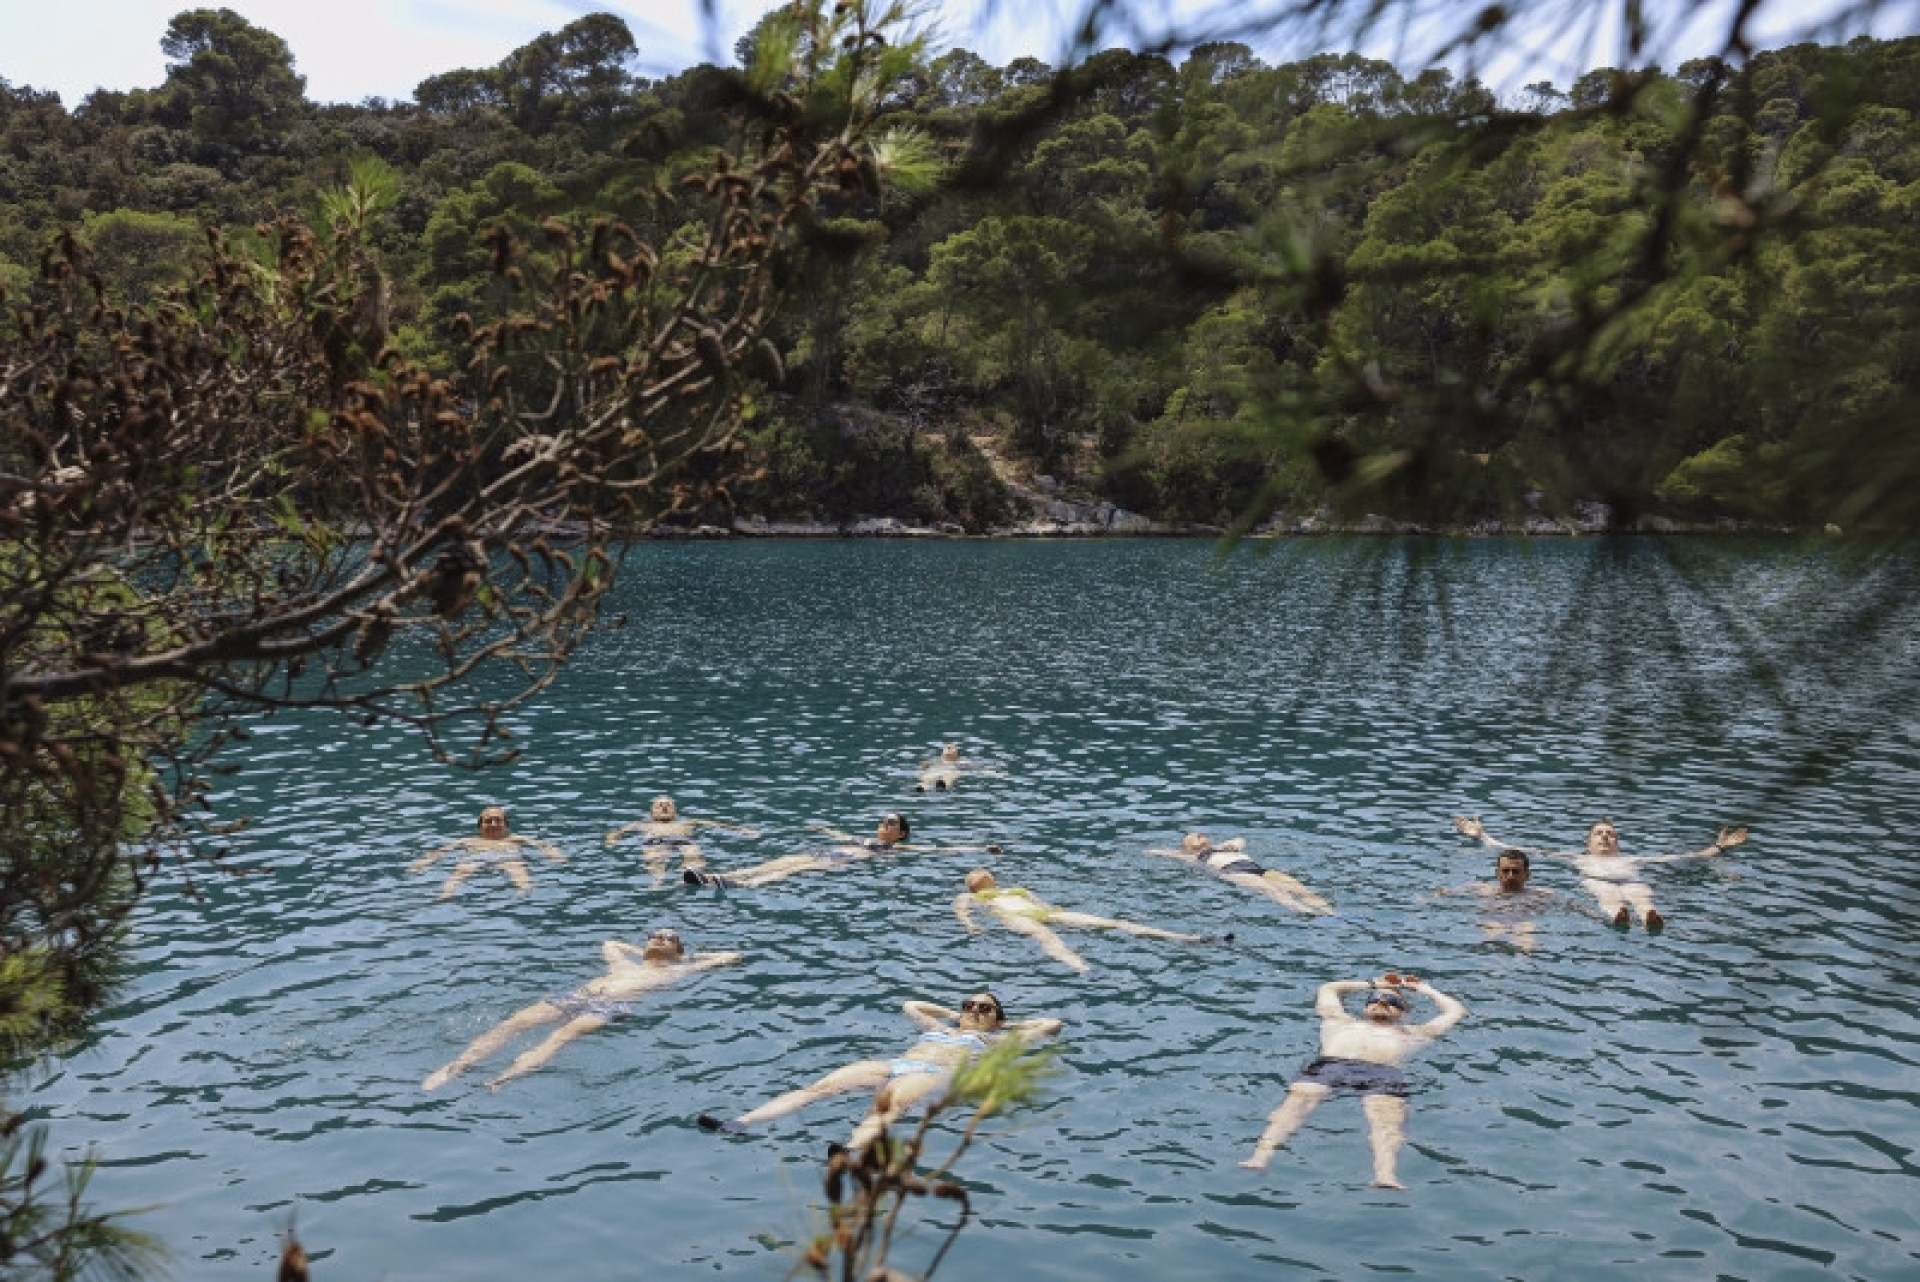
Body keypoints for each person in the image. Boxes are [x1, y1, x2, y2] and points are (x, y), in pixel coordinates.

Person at [698, 992, 1060, 1153]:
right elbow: (910, 1005)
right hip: (898, 1062)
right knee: (820, 1087)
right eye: (969, 1004)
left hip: (936, 1072)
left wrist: (1003, 1026)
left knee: (887, 1105)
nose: (974, 1010)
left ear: (997, 1017)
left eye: (984, 1007)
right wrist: (953, 1016)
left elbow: (1051, 1024)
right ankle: (741, 1123)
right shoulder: (940, 1028)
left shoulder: (996, 1040)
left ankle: (852, 1151)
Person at [423, 929, 740, 1091]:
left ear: (679, 950)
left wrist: (686, 959)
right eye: (655, 935)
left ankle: (504, 1078)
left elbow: (730, 956)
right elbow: (610, 943)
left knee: (561, 1037)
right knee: (513, 1022)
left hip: (613, 1006)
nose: (659, 938)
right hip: (577, 996)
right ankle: (456, 1067)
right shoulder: (623, 963)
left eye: (669, 938)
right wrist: (642, 949)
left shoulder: (676, 971)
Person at [1241, 972, 1467, 1189]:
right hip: (1330, 1065)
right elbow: (1329, 988)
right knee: (1297, 1103)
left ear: (1404, 1013)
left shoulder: (1413, 1033)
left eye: (1392, 1001)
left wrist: (1425, 990)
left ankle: (1385, 1175)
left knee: (1387, 1121)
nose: (1382, 1001)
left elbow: (1455, 1012)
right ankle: (1260, 1157)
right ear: (1365, 1006)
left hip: (1382, 1073)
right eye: (1376, 998)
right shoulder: (1339, 1021)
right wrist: (1374, 984)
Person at [1454, 815, 1748, 932]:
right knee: (1609, 900)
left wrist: (1719, 848)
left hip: (1632, 880)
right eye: (1599, 834)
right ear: (1588, 842)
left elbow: (1684, 857)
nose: (1606, 837)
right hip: (1597, 880)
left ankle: (1650, 918)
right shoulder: (1577, 858)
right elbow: (1517, 848)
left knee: (1642, 899)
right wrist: (1481, 836)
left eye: (1611, 834)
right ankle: (1617, 917)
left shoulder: (1634, 859)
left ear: (1618, 842)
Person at [953, 869, 1218, 974]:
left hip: (1046, 913)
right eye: (972, 874)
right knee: (1046, 938)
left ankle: (1184, 938)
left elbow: (1041, 903)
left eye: (981, 870)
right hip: (1012, 917)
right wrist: (970, 925)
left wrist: (1059, 915)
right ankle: (1084, 970)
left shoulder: (1014, 888)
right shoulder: (969, 895)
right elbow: (962, 911)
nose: (978, 872)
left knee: (1115, 923)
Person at [684, 813, 998, 889]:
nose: (884, 826)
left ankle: (743, 886)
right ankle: (714, 877)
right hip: (828, 851)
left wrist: (979, 848)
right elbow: (839, 834)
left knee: (791, 871)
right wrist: (821, 828)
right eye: (883, 821)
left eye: (891, 824)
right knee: (779, 860)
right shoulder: (862, 837)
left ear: (900, 833)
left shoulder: (895, 848)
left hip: (845, 861)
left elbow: (938, 851)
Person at [1147, 833, 1333, 914]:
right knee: (1274, 892)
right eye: (1195, 836)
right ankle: (1307, 912)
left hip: (1257, 868)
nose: (1200, 834)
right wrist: (1185, 852)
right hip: (1232, 872)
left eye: (1201, 834)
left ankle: (1330, 914)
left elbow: (1241, 839)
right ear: (1188, 846)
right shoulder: (1193, 857)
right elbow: (1154, 852)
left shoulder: (1226, 847)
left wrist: (1219, 847)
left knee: (1301, 889)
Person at [410, 806, 566, 899]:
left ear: (506, 824)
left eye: (498, 820)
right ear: (480, 826)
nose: (493, 824)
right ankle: (446, 895)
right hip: (476, 856)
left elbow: (543, 846)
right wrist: (422, 863)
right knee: (461, 871)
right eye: (488, 821)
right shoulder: (469, 841)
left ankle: (524, 891)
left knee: (517, 869)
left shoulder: (515, 839)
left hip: (507, 856)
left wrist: (556, 856)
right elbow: (441, 851)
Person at [604, 795, 759, 882]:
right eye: (660, 805)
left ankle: (690, 876)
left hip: (683, 840)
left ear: (675, 811)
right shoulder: (641, 824)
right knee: (656, 859)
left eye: (668, 805)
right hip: (656, 842)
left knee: (692, 852)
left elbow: (717, 824)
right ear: (651, 812)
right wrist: (611, 840)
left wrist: (741, 830)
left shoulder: (687, 822)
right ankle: (657, 882)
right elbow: (618, 831)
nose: (664, 807)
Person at [1434, 849, 1559, 952]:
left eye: (1516, 871)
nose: (1510, 876)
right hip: (1494, 918)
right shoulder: (1481, 889)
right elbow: (1447, 893)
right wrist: (1435, 896)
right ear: (1497, 873)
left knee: (1527, 947)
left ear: (1527, 875)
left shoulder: (1543, 894)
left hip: (1523, 920)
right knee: (1491, 943)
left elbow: (1568, 905)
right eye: (1506, 871)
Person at [915, 743, 1005, 793]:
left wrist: (996, 774)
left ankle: (942, 786)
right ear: (942, 753)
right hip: (935, 771)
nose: (949, 748)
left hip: (950, 772)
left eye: (952, 748)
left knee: (951, 775)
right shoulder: (935, 760)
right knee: (926, 780)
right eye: (947, 747)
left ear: (957, 753)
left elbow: (978, 768)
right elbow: (921, 767)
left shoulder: (962, 761)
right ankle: (921, 788)